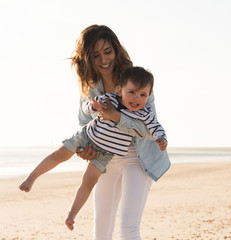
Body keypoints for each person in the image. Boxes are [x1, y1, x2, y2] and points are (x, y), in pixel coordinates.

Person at [27, 25, 170, 239]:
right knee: (101, 230)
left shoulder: (137, 79)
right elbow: (84, 121)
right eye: (96, 55)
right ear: (88, 58)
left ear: (116, 50)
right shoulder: (90, 86)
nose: (104, 59)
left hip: (137, 158)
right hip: (105, 159)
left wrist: (117, 117)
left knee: (129, 227)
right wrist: (84, 150)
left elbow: (149, 128)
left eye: (107, 51)